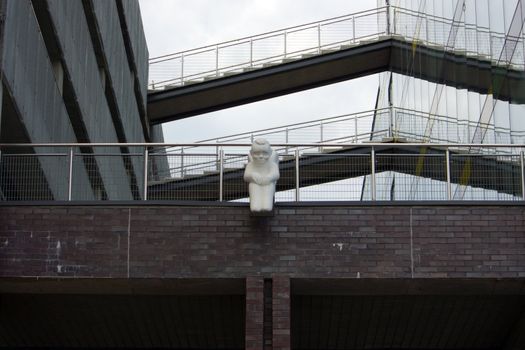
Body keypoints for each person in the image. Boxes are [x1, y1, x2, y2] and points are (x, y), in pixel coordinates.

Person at [243, 139, 280, 212]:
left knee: (268, 193)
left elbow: (276, 174)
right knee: (253, 186)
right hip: (256, 183)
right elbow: (246, 176)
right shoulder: (251, 165)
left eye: (265, 153)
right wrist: (252, 175)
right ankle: (255, 206)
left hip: (268, 183)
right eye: (257, 153)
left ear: (270, 153)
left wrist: (269, 177)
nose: (261, 156)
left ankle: (266, 205)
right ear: (251, 153)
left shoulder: (272, 164)